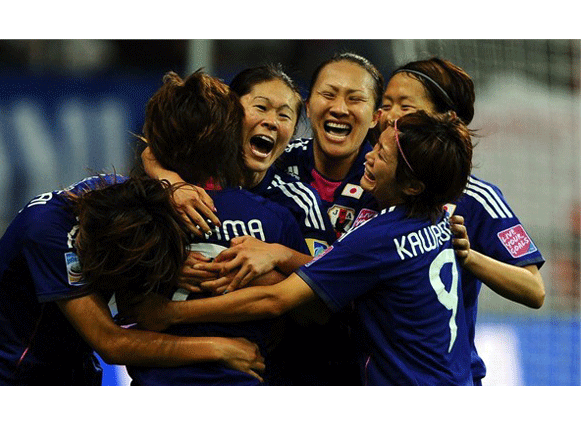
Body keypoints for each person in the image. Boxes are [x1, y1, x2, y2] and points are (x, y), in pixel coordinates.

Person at [121, 110, 476, 386]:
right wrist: (281, 253)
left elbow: (277, 299)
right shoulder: (437, 216)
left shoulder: (379, 236)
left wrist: (170, 313)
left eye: (381, 155)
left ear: (413, 185)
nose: (369, 157)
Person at [0, 173, 264, 385]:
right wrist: (219, 348)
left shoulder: (122, 197)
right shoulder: (46, 234)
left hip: (72, 370)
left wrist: (169, 254)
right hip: (3, 374)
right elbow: (112, 343)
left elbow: (150, 154)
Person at [124, 70, 310, 385]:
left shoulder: (137, 209)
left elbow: (125, 317)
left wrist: (277, 259)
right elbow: (313, 304)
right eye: (260, 108)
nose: (270, 122)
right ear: (232, 126)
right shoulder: (274, 217)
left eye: (284, 115)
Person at [378, 57, 546, 385]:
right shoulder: (368, 181)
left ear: (447, 118)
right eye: (386, 104)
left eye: (406, 106)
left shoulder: (475, 197)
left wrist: (467, 257)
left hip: (445, 379)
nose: (391, 115)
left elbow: (534, 289)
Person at [277, 52, 384, 238]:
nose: (339, 109)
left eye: (355, 99)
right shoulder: (277, 162)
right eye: (328, 95)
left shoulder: (386, 182)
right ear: (308, 107)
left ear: (375, 117)